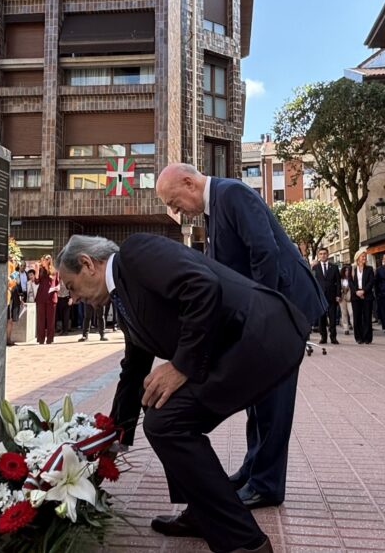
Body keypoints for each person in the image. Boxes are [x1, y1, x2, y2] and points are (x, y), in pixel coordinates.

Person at [56, 234, 303, 553]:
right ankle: (201, 514)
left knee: (165, 422)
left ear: (88, 264)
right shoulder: (123, 296)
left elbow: (202, 287)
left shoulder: (136, 253)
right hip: (242, 346)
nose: (72, 298)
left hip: (262, 336)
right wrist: (113, 438)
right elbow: (134, 368)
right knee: (160, 407)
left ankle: (245, 542)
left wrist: (181, 366)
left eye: (71, 286)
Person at [155, 163, 325, 511]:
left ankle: (267, 484)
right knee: (258, 395)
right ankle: (253, 471)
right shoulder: (214, 209)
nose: (175, 212)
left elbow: (265, 253)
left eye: (174, 201)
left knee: (274, 398)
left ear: (188, 182)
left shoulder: (231, 193)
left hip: (283, 308)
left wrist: (263, 314)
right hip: (270, 309)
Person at [311, 247, 341, 345]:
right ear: (319, 255)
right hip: (320, 297)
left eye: (325, 253)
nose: (323, 255)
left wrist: (338, 295)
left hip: (332, 296)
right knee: (322, 319)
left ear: (328, 255)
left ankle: (333, 338)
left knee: (332, 318)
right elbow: (313, 282)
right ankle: (323, 337)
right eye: (321, 254)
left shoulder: (334, 267)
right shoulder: (315, 268)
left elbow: (338, 282)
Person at [351, 251, 375, 344]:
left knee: (367, 317)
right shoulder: (352, 268)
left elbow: (371, 281)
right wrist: (356, 292)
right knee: (357, 317)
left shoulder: (369, 269)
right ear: (357, 257)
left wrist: (364, 291)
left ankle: (367, 338)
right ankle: (358, 337)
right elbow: (350, 282)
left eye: (365, 257)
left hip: (367, 295)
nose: (364, 258)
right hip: (355, 296)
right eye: (362, 256)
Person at [35, 255, 57, 345]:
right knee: (41, 319)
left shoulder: (55, 271)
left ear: (48, 261)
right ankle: (40, 339)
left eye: (43, 260)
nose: (41, 262)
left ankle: (50, 339)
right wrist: (36, 270)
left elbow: (58, 284)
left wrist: (55, 288)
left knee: (51, 320)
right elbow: (36, 282)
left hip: (51, 298)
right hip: (41, 297)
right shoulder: (41, 270)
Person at [338, 265, 354, 334]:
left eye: (348, 270)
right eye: (345, 271)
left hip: (350, 298)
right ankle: (346, 328)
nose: (347, 272)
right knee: (344, 313)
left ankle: (354, 326)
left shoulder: (352, 279)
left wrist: (348, 288)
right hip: (342, 298)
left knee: (351, 312)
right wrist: (341, 290)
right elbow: (338, 287)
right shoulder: (340, 279)